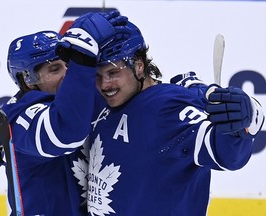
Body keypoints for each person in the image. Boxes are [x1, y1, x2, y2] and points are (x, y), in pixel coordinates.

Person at [55, 15, 265, 215]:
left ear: (139, 66)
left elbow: (227, 155)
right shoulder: (99, 100)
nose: (104, 85)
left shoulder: (169, 108)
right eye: (97, 75)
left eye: (113, 73)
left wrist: (242, 123)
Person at [0, 10, 130, 216]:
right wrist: (82, 60)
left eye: (70, 64)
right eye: (55, 69)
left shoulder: (73, 96)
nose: (69, 74)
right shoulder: (24, 117)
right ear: (28, 79)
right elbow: (65, 132)